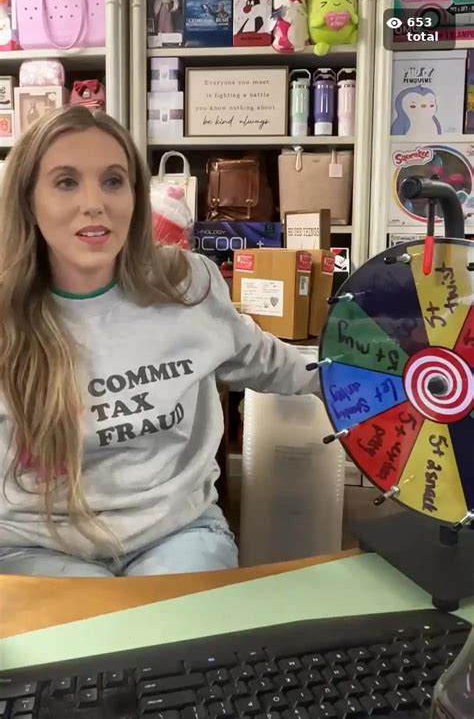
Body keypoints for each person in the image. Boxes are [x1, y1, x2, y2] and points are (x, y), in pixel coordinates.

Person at [0, 106, 321, 579]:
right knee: (101, 629)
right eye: (66, 182)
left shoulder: (185, 283)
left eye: (113, 181)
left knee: (168, 628)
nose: (94, 203)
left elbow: (270, 361)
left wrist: (372, 382)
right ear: (28, 201)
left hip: (176, 533)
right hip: (36, 546)